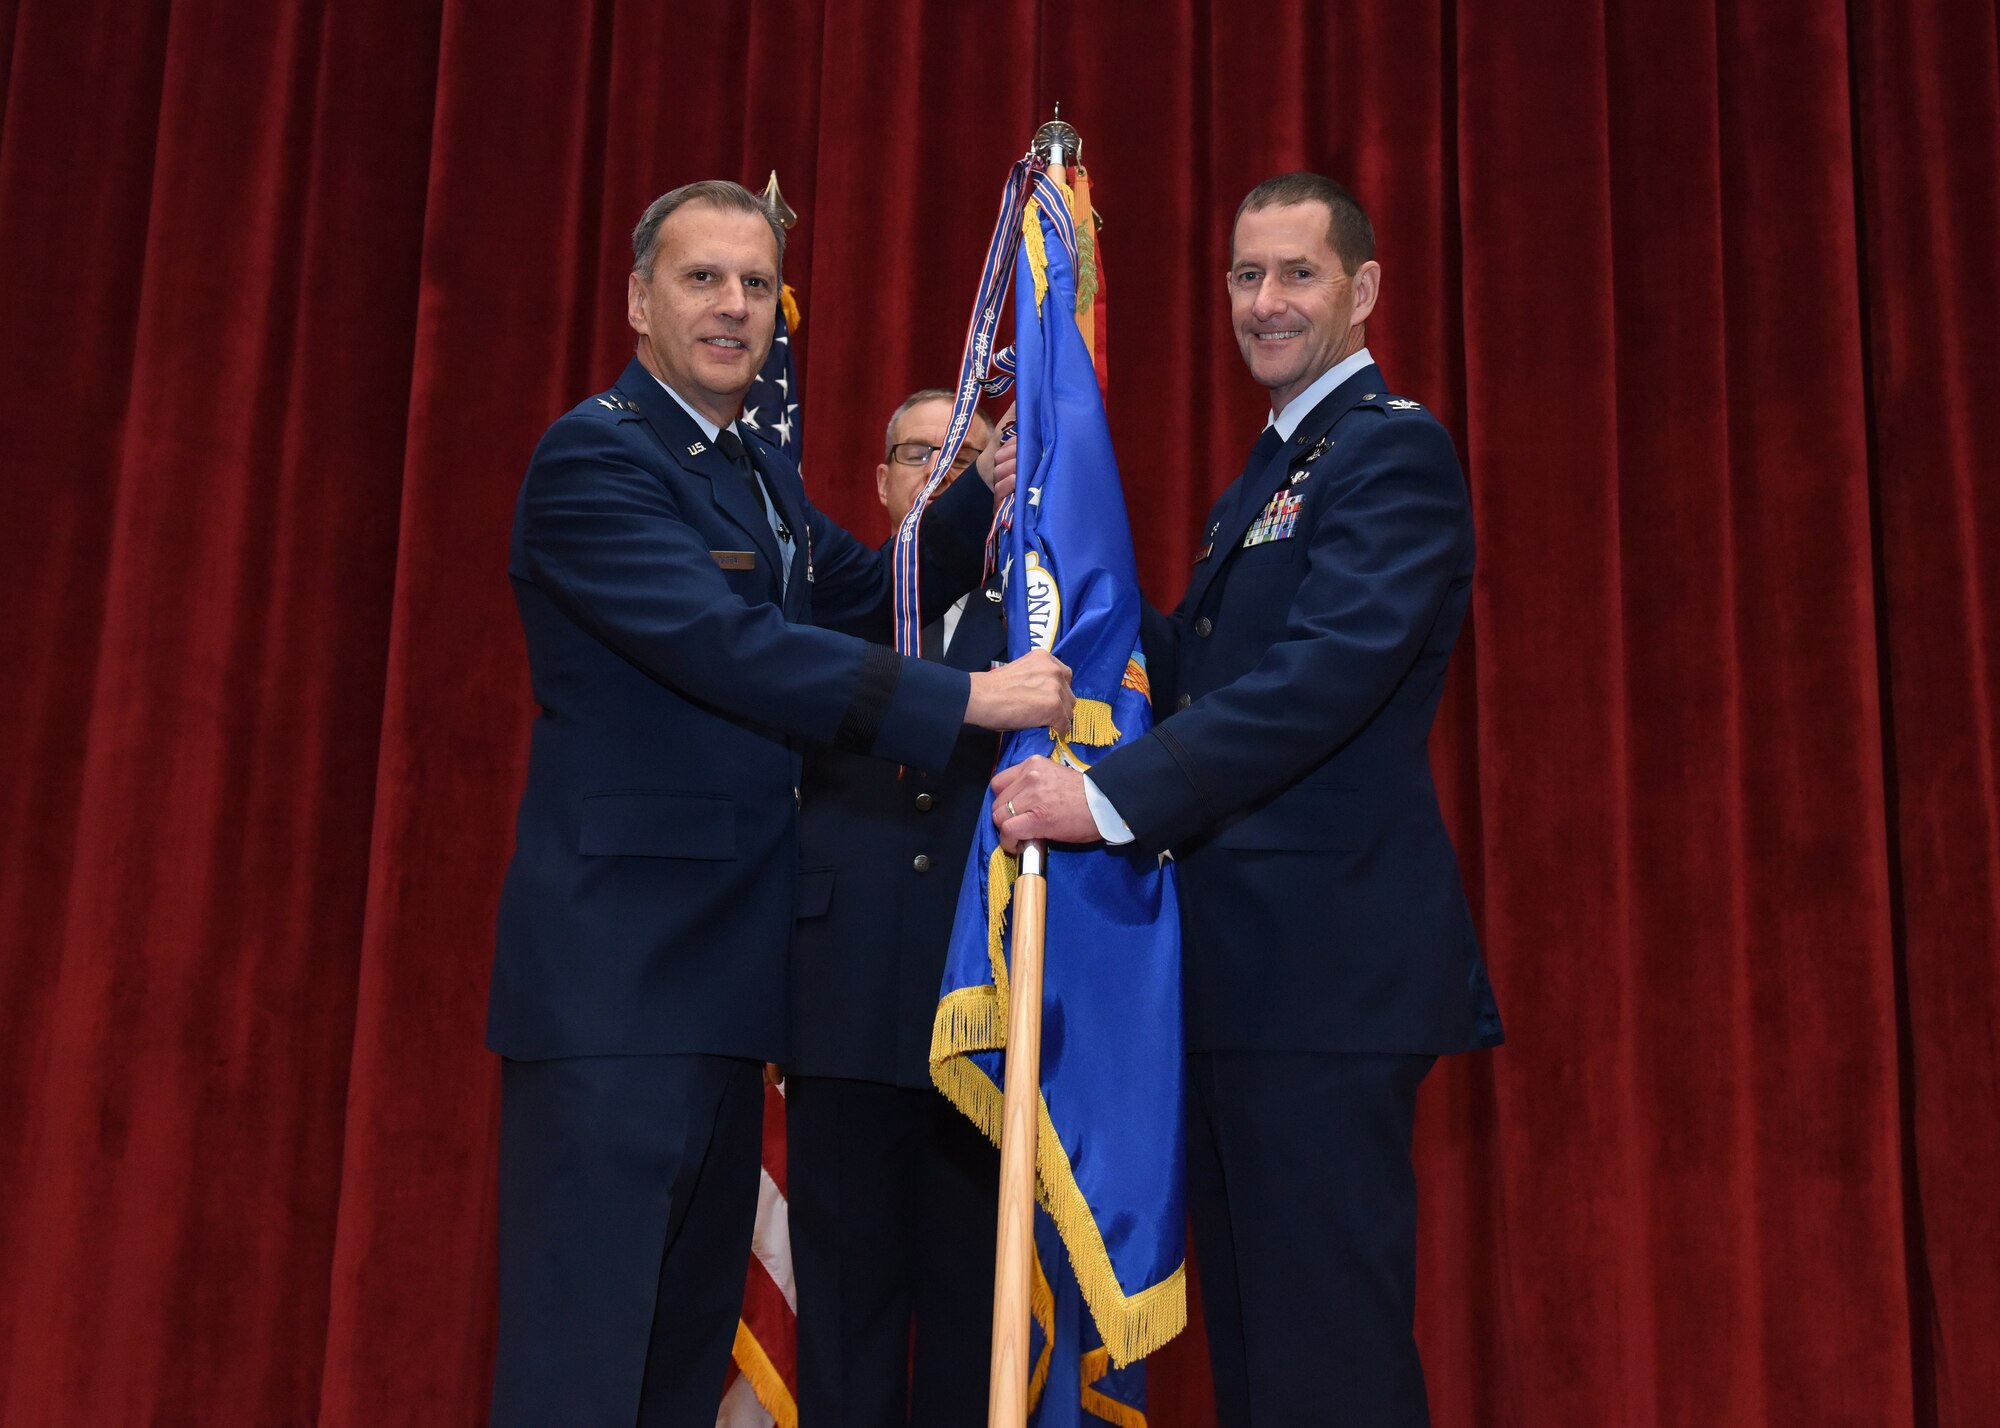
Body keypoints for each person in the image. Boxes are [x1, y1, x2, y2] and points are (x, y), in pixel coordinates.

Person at [488, 180, 1071, 1428]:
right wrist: (964, 701)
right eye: (702, 279)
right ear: (640, 298)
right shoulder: (595, 456)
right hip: (614, 993)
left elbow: (863, 593)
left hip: (723, 997)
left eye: (755, 284)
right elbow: (731, 646)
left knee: (674, 1366)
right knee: (581, 1368)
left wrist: (983, 477)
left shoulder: (751, 464)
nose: (734, 307)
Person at [989, 172, 1504, 1426]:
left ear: (1363, 290)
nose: (1264, 302)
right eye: (1243, 275)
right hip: (1237, 981)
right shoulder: (1273, 471)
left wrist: (1104, 800)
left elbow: (1316, 682)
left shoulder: (1389, 454)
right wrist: (1049, 546)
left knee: (1326, 1361)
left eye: (1297, 273)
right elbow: (1200, 671)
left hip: (1325, 985)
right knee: (1265, 1364)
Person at [785, 390, 1006, 1426]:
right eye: (921, 455)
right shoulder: (822, 603)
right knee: (843, 1318)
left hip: (991, 1019)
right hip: (841, 1003)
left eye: (967, 459)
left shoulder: (1059, 621)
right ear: (881, 482)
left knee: (979, 1322)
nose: (942, 476)